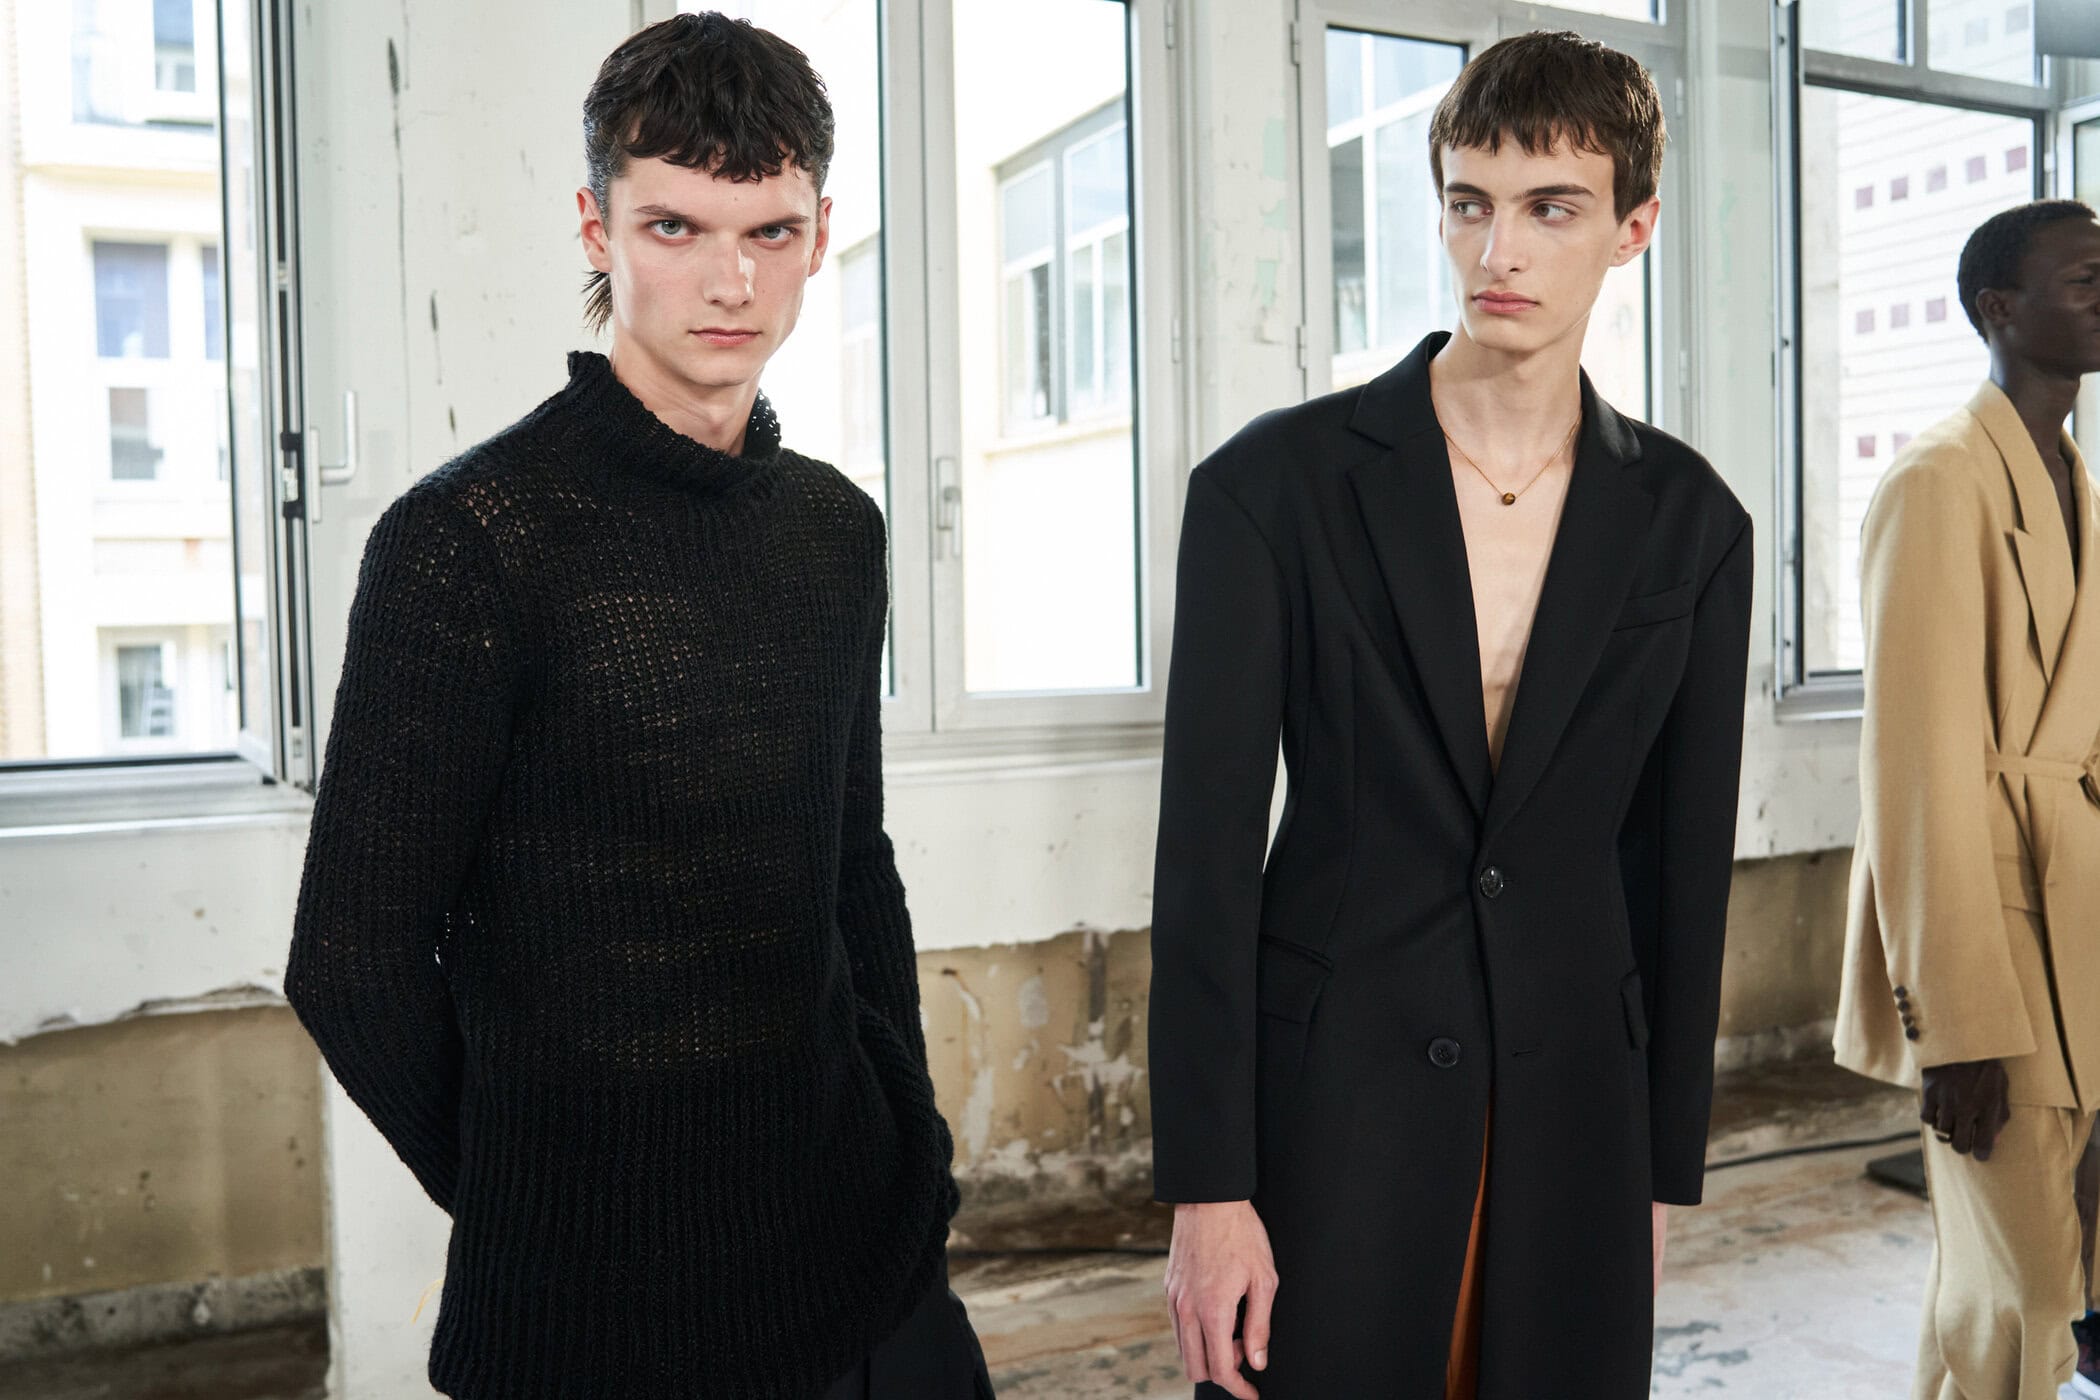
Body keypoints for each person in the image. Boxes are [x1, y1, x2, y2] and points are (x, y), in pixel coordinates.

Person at [284, 14, 991, 1398]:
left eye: (771, 231)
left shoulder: (834, 529)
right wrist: (534, 1198)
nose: (731, 281)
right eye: (675, 227)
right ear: (596, 228)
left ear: (820, 235)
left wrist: (910, 1140)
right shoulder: (472, 539)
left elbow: (851, 864)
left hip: (859, 1247)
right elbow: (351, 960)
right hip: (593, 1313)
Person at [1147, 29, 1751, 1400]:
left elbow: (1678, 872)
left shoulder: (1692, 521)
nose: (1500, 250)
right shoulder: (1272, 490)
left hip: (1578, 1109)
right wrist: (1208, 1188)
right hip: (1333, 1105)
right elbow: (1204, 866)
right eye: (1470, 202)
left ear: (1635, 228)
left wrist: (1662, 1172)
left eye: (1552, 208)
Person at [1834, 198, 2100, 1400]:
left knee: (2042, 1284)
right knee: (2024, 1292)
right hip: (1995, 947)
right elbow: (1917, 768)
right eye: (2084, 278)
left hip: (2085, 930)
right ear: (1999, 308)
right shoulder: (1938, 483)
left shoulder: (2078, 484)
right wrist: (1953, 1027)